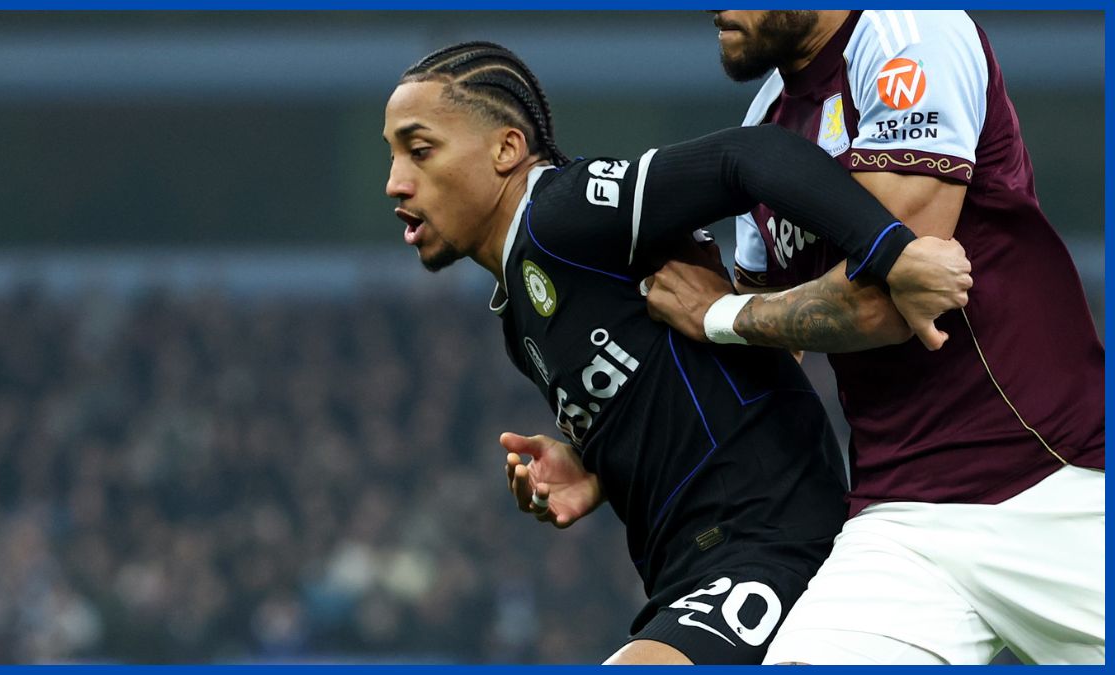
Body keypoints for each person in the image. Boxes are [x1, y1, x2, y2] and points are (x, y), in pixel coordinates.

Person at [383, 40, 971, 664]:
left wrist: (889, 250)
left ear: (506, 149)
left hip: (772, 542)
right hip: (687, 576)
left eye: (420, 151)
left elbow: (751, 156)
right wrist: (595, 464)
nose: (395, 181)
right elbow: (675, 382)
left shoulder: (561, 210)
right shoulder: (520, 317)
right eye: (392, 155)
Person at [641, 11, 1105, 665]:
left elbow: (891, 298)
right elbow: (758, 367)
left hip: (1056, 483)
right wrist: (603, 453)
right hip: (900, 523)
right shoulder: (763, 128)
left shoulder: (910, 33)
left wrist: (722, 314)